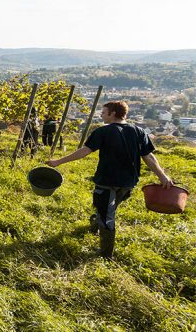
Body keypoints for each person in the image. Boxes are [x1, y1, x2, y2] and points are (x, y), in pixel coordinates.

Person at [47, 101, 172, 258]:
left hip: (107, 181)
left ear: (113, 113)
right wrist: (162, 176)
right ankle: (96, 223)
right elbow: (149, 157)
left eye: (104, 112)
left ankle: (105, 254)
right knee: (106, 209)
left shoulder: (103, 131)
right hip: (128, 183)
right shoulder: (139, 131)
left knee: (107, 216)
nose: (101, 114)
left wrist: (58, 162)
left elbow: (84, 152)